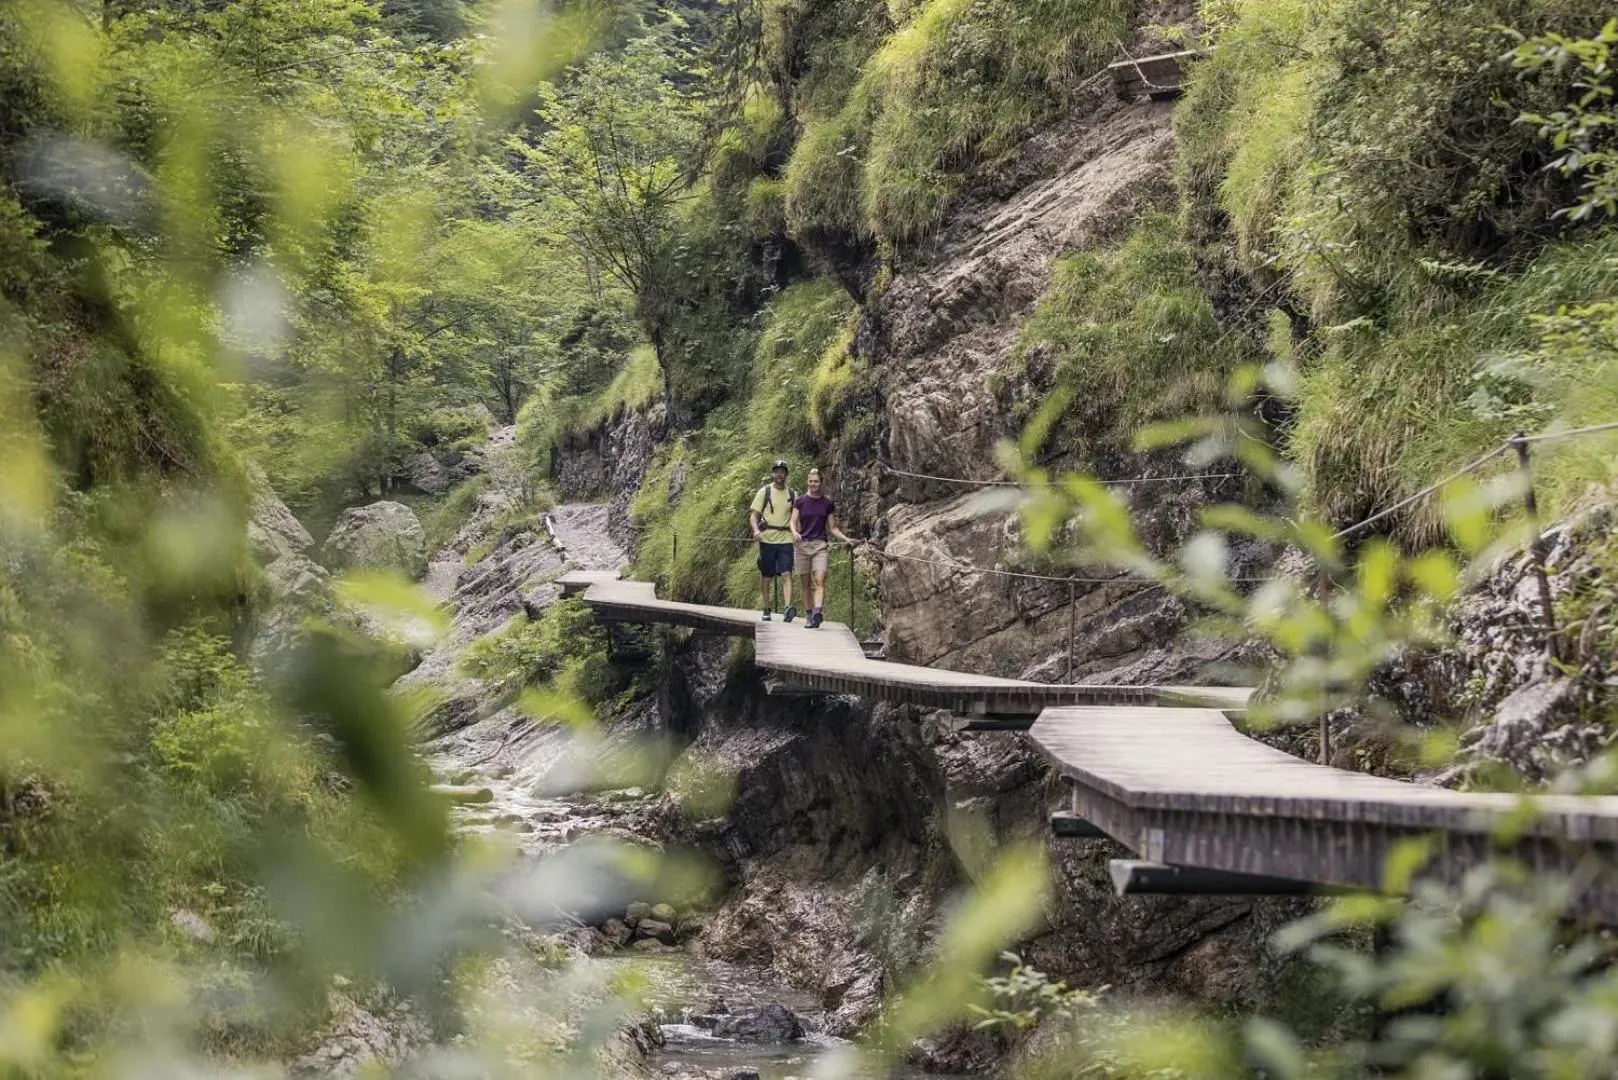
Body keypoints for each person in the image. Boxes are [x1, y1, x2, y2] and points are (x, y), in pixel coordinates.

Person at [790, 467, 858, 629]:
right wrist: (794, 532)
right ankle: (808, 615)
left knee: (819, 580)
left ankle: (817, 612)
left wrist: (846, 539)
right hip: (802, 546)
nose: (813, 484)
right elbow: (792, 521)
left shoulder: (827, 503)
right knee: (805, 583)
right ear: (807, 482)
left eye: (816, 481)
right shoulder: (800, 501)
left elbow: (832, 527)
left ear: (821, 483)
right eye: (811, 481)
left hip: (820, 545)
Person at [749, 459, 797, 621]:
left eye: (782, 472)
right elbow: (754, 515)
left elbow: (796, 518)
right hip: (767, 539)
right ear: (773, 474)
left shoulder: (792, 494)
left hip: (786, 539)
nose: (779, 475)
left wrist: (798, 533)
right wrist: (756, 530)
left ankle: (787, 607)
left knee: (787, 573)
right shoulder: (765, 492)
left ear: (786, 474)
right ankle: (767, 608)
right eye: (777, 471)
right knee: (767, 575)